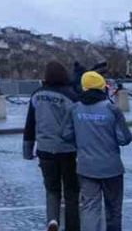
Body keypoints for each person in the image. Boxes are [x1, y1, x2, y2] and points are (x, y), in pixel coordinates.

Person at [62, 71, 132, 231]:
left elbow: (65, 134)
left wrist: (80, 141)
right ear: (103, 87)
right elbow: (124, 139)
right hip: (112, 167)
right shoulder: (112, 109)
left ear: (83, 88)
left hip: (86, 167)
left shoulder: (75, 109)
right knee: (113, 210)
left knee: (89, 208)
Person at [23, 61, 79, 231]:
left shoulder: (37, 95)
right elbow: (77, 124)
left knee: (51, 190)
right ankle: (72, 226)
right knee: (71, 192)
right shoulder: (71, 96)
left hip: (45, 149)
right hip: (67, 149)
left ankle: (52, 220)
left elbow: (30, 125)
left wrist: (27, 150)